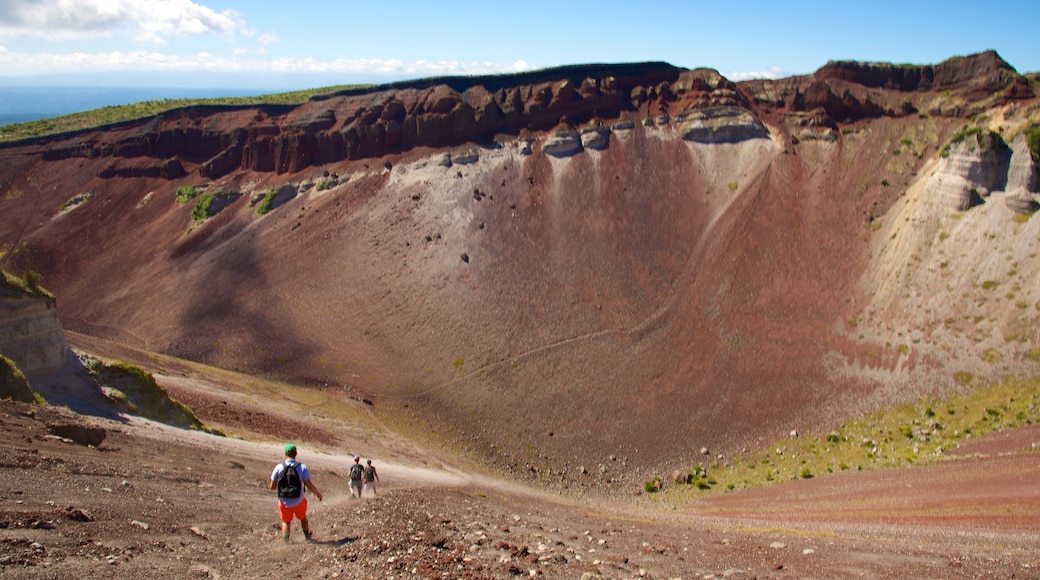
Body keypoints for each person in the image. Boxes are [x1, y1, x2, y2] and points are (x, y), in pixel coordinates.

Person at [269, 443, 323, 543]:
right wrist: (318, 494)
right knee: (303, 518)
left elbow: (272, 487)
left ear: (285, 454)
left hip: (284, 502)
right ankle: (307, 537)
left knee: (286, 521)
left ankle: (285, 542)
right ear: (296, 454)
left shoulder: (279, 467)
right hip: (299, 501)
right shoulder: (302, 467)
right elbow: (309, 485)